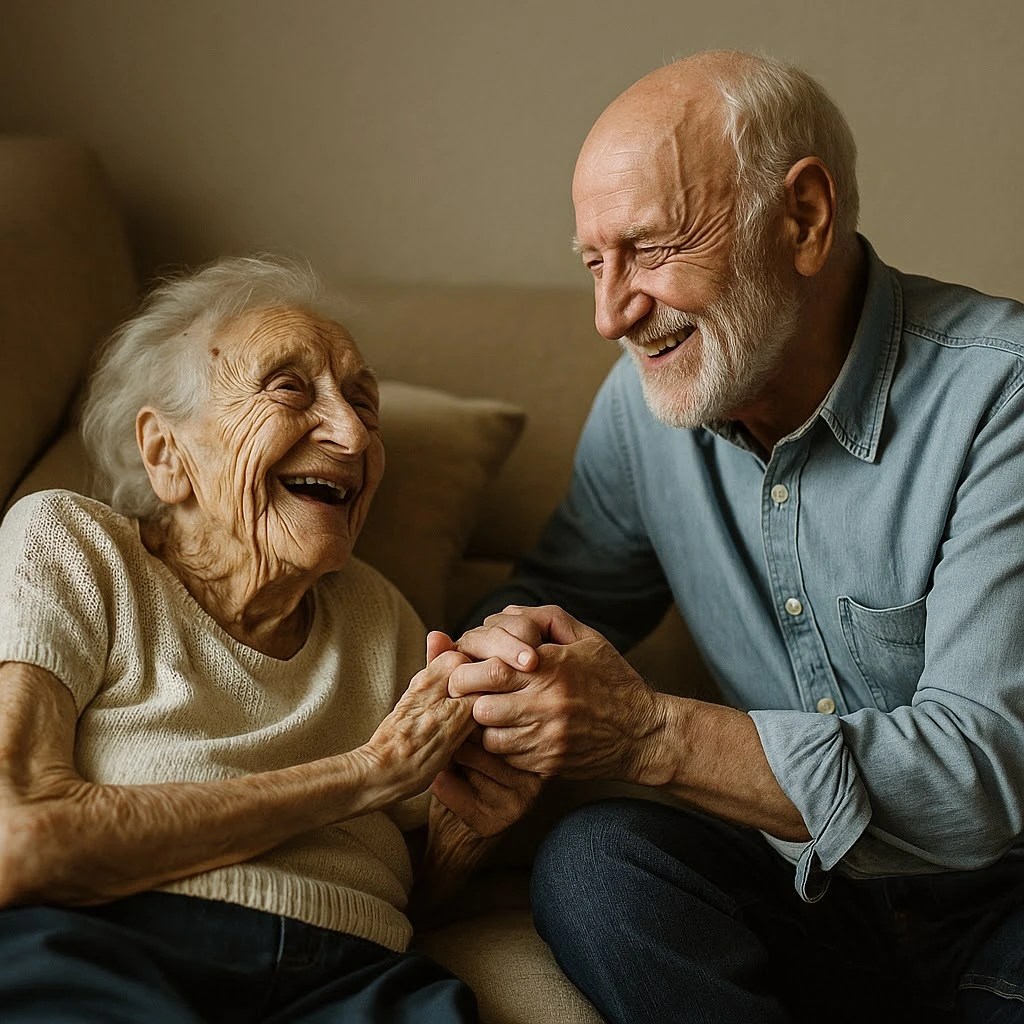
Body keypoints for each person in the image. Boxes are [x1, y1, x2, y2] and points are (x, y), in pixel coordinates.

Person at [449, 50, 1024, 1023]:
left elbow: (976, 782)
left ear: (801, 220)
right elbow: (560, 595)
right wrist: (490, 656)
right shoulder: (643, 409)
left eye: (652, 249)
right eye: (595, 263)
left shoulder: (1000, 393)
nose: (609, 313)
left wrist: (648, 733)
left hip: (1004, 903)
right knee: (596, 865)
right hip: (813, 900)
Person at [0, 256, 538, 1023]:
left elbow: (405, 887)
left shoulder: (384, 616)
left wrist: (461, 835)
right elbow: (16, 842)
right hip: (114, 943)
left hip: (359, 976)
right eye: (289, 388)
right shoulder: (74, 546)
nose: (351, 435)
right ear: (166, 453)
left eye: (365, 402)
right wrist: (365, 772)